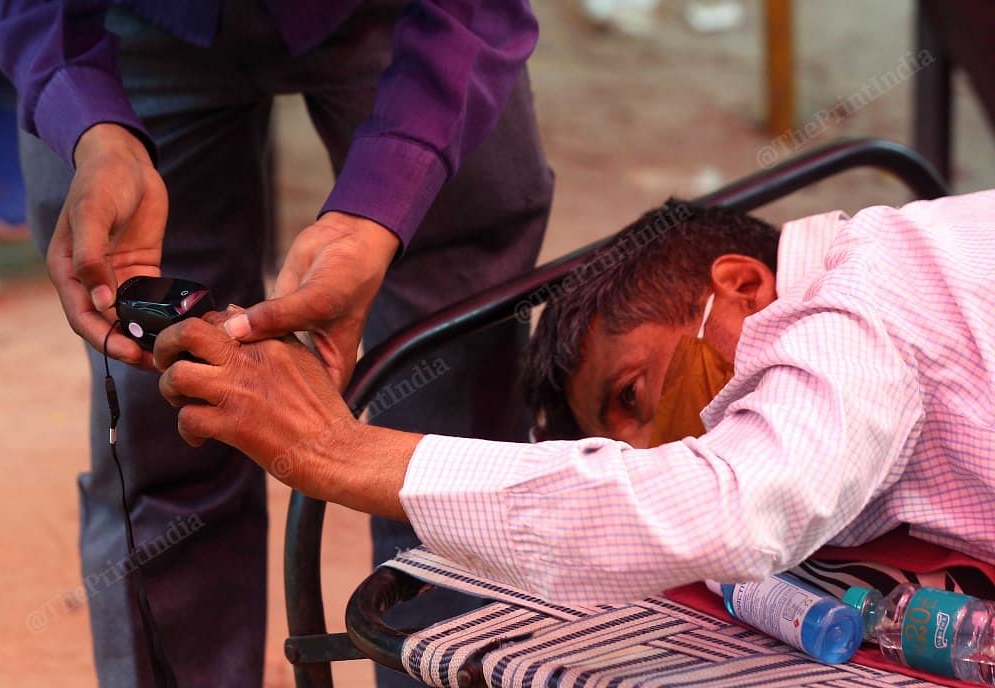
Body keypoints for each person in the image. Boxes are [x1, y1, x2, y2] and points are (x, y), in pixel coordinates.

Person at [0, 1, 552, 686]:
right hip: (128, 24)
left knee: (456, 438)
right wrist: (90, 123)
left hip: (404, 21)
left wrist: (386, 197)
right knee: (169, 423)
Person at [155, 189, 995, 608]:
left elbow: (727, 510)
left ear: (740, 285)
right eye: (627, 443)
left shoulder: (858, 307)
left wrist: (341, 451)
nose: (656, 447)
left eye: (633, 392)